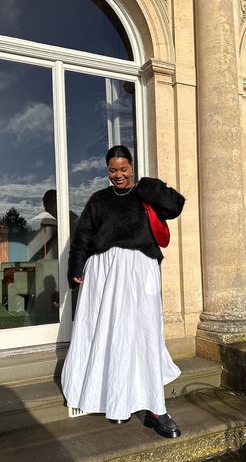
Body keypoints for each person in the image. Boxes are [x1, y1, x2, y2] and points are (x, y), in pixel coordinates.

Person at [61, 145, 185, 438]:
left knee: (144, 333)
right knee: (109, 333)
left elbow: (176, 205)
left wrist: (147, 187)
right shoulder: (98, 200)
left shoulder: (145, 192)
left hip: (141, 269)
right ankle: (115, 400)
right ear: (107, 171)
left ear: (132, 167)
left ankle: (155, 408)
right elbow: (82, 236)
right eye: (113, 170)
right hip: (104, 272)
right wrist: (76, 267)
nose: (118, 175)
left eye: (123, 169)